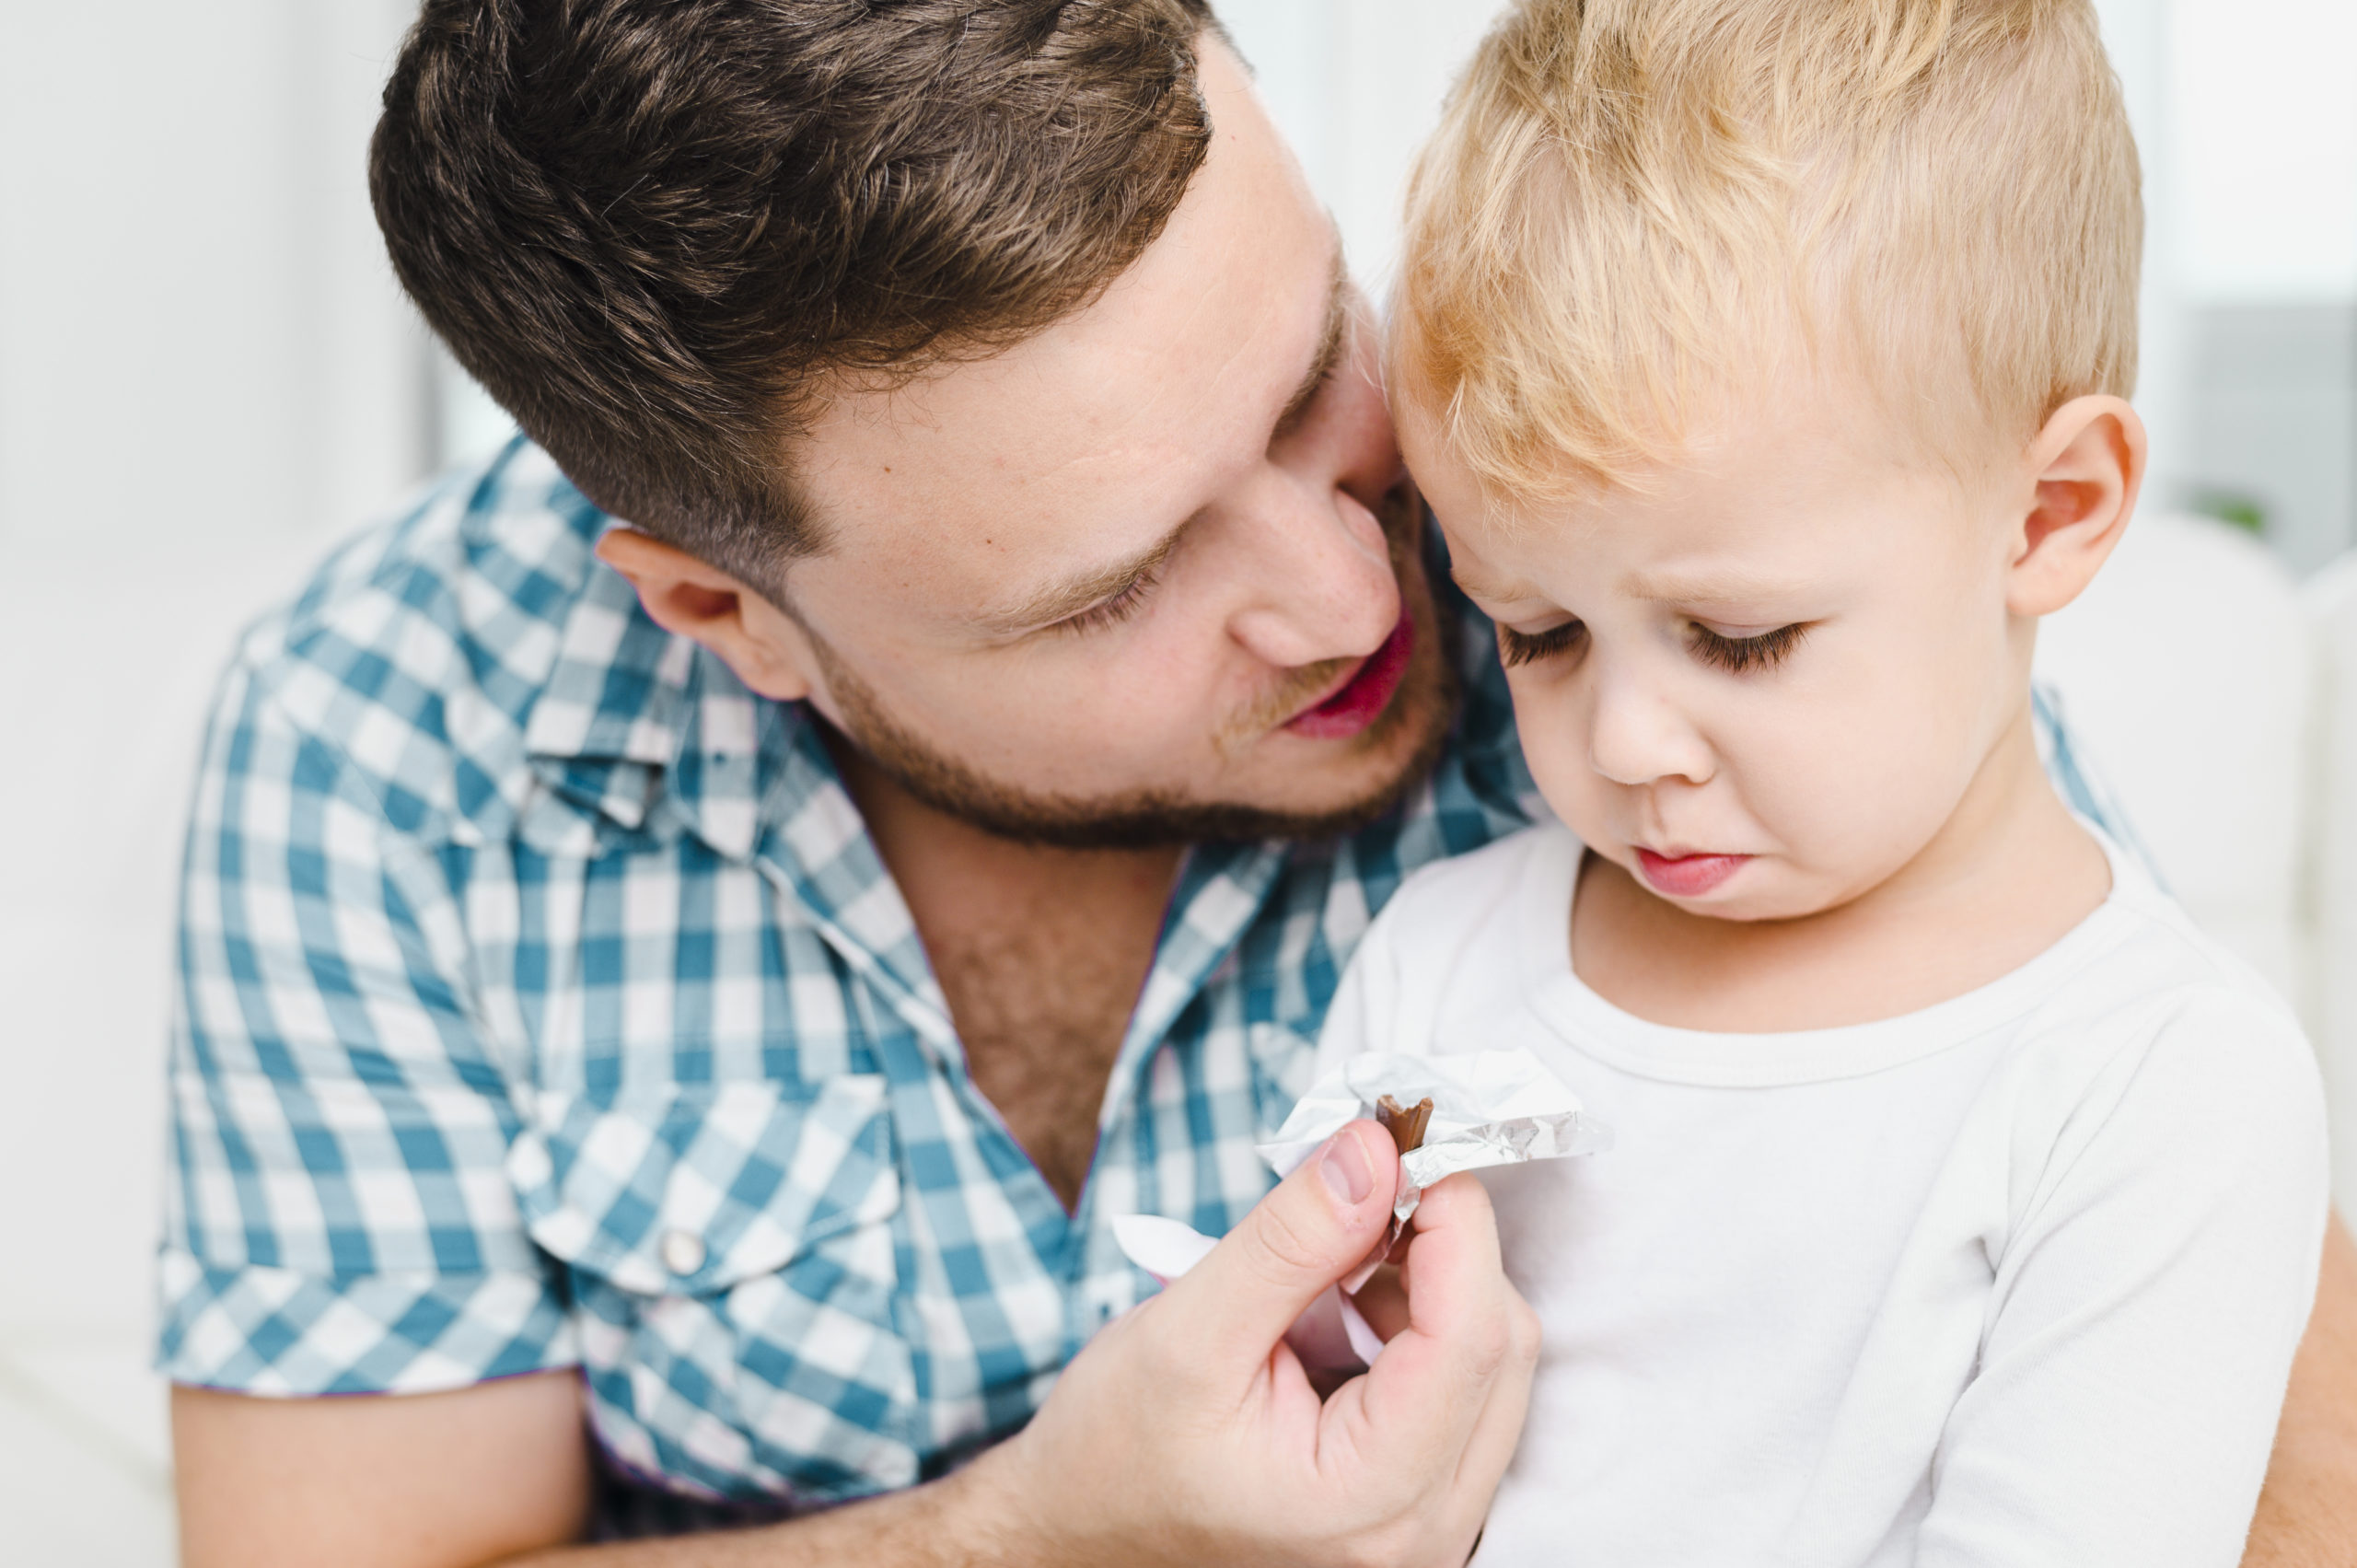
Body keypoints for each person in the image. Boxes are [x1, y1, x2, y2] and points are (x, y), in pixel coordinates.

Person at [156, 2, 2357, 1565]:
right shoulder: (396, 751)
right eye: (1114, 589)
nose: (1348, 589)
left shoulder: (1638, 555)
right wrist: (1032, 1541)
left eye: (1314, 368)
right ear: (729, 620)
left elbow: (2250, 1422)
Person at [1318, 0, 2339, 1562]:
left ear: (2052, 511)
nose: (1623, 746)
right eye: (1536, 633)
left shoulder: (2160, 1086)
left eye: (1739, 640)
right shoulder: (1437, 962)